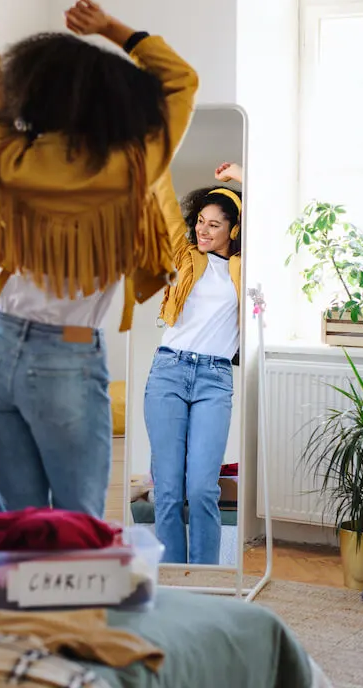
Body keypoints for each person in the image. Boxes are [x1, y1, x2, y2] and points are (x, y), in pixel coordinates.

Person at [0, 0, 198, 517]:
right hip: (65, 360)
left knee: (20, 526)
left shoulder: (6, 152)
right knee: (76, 533)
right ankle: (68, 614)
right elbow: (180, 80)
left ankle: (16, 615)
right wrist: (111, 29)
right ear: (111, 101)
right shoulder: (133, 162)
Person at [144, 162, 244, 564]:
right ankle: (171, 581)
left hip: (214, 379)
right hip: (169, 372)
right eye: (200, 222)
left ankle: (206, 580)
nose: (203, 230)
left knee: (202, 488)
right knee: (168, 489)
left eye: (214, 225)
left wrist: (242, 174)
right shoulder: (183, 255)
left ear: (233, 230)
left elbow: (274, 212)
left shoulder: (244, 267)